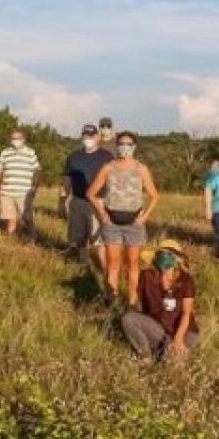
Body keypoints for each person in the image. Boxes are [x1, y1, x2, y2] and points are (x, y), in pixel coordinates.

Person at [87, 131, 159, 307]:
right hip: (112, 223)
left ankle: (132, 301)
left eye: (128, 144)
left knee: (133, 264)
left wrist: (145, 216)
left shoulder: (141, 169)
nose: (124, 147)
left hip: (134, 223)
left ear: (134, 147)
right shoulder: (108, 168)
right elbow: (90, 193)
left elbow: (154, 195)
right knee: (112, 263)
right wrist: (102, 213)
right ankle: (111, 300)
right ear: (116, 146)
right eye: (121, 143)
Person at [120, 240, 198, 363]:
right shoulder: (147, 276)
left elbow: (186, 313)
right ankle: (145, 355)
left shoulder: (186, 280)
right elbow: (137, 305)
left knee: (174, 360)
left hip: (184, 332)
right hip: (159, 329)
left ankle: (165, 352)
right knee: (128, 319)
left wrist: (178, 339)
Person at [61, 124, 113, 267]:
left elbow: (114, 180)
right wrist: (62, 200)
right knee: (78, 237)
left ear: (97, 137)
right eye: (85, 136)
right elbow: (67, 180)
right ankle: (84, 264)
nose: (88, 139)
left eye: (91, 136)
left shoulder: (107, 156)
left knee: (99, 239)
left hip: (99, 202)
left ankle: (104, 269)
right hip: (77, 201)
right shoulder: (73, 157)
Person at [0, 130, 41, 236]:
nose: (15, 140)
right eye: (13, 138)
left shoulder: (30, 152)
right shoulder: (5, 152)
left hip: (24, 193)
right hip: (7, 193)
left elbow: (37, 171)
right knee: (10, 219)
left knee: (28, 219)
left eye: (18, 138)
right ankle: (10, 240)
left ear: (23, 139)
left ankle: (32, 240)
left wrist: (34, 188)